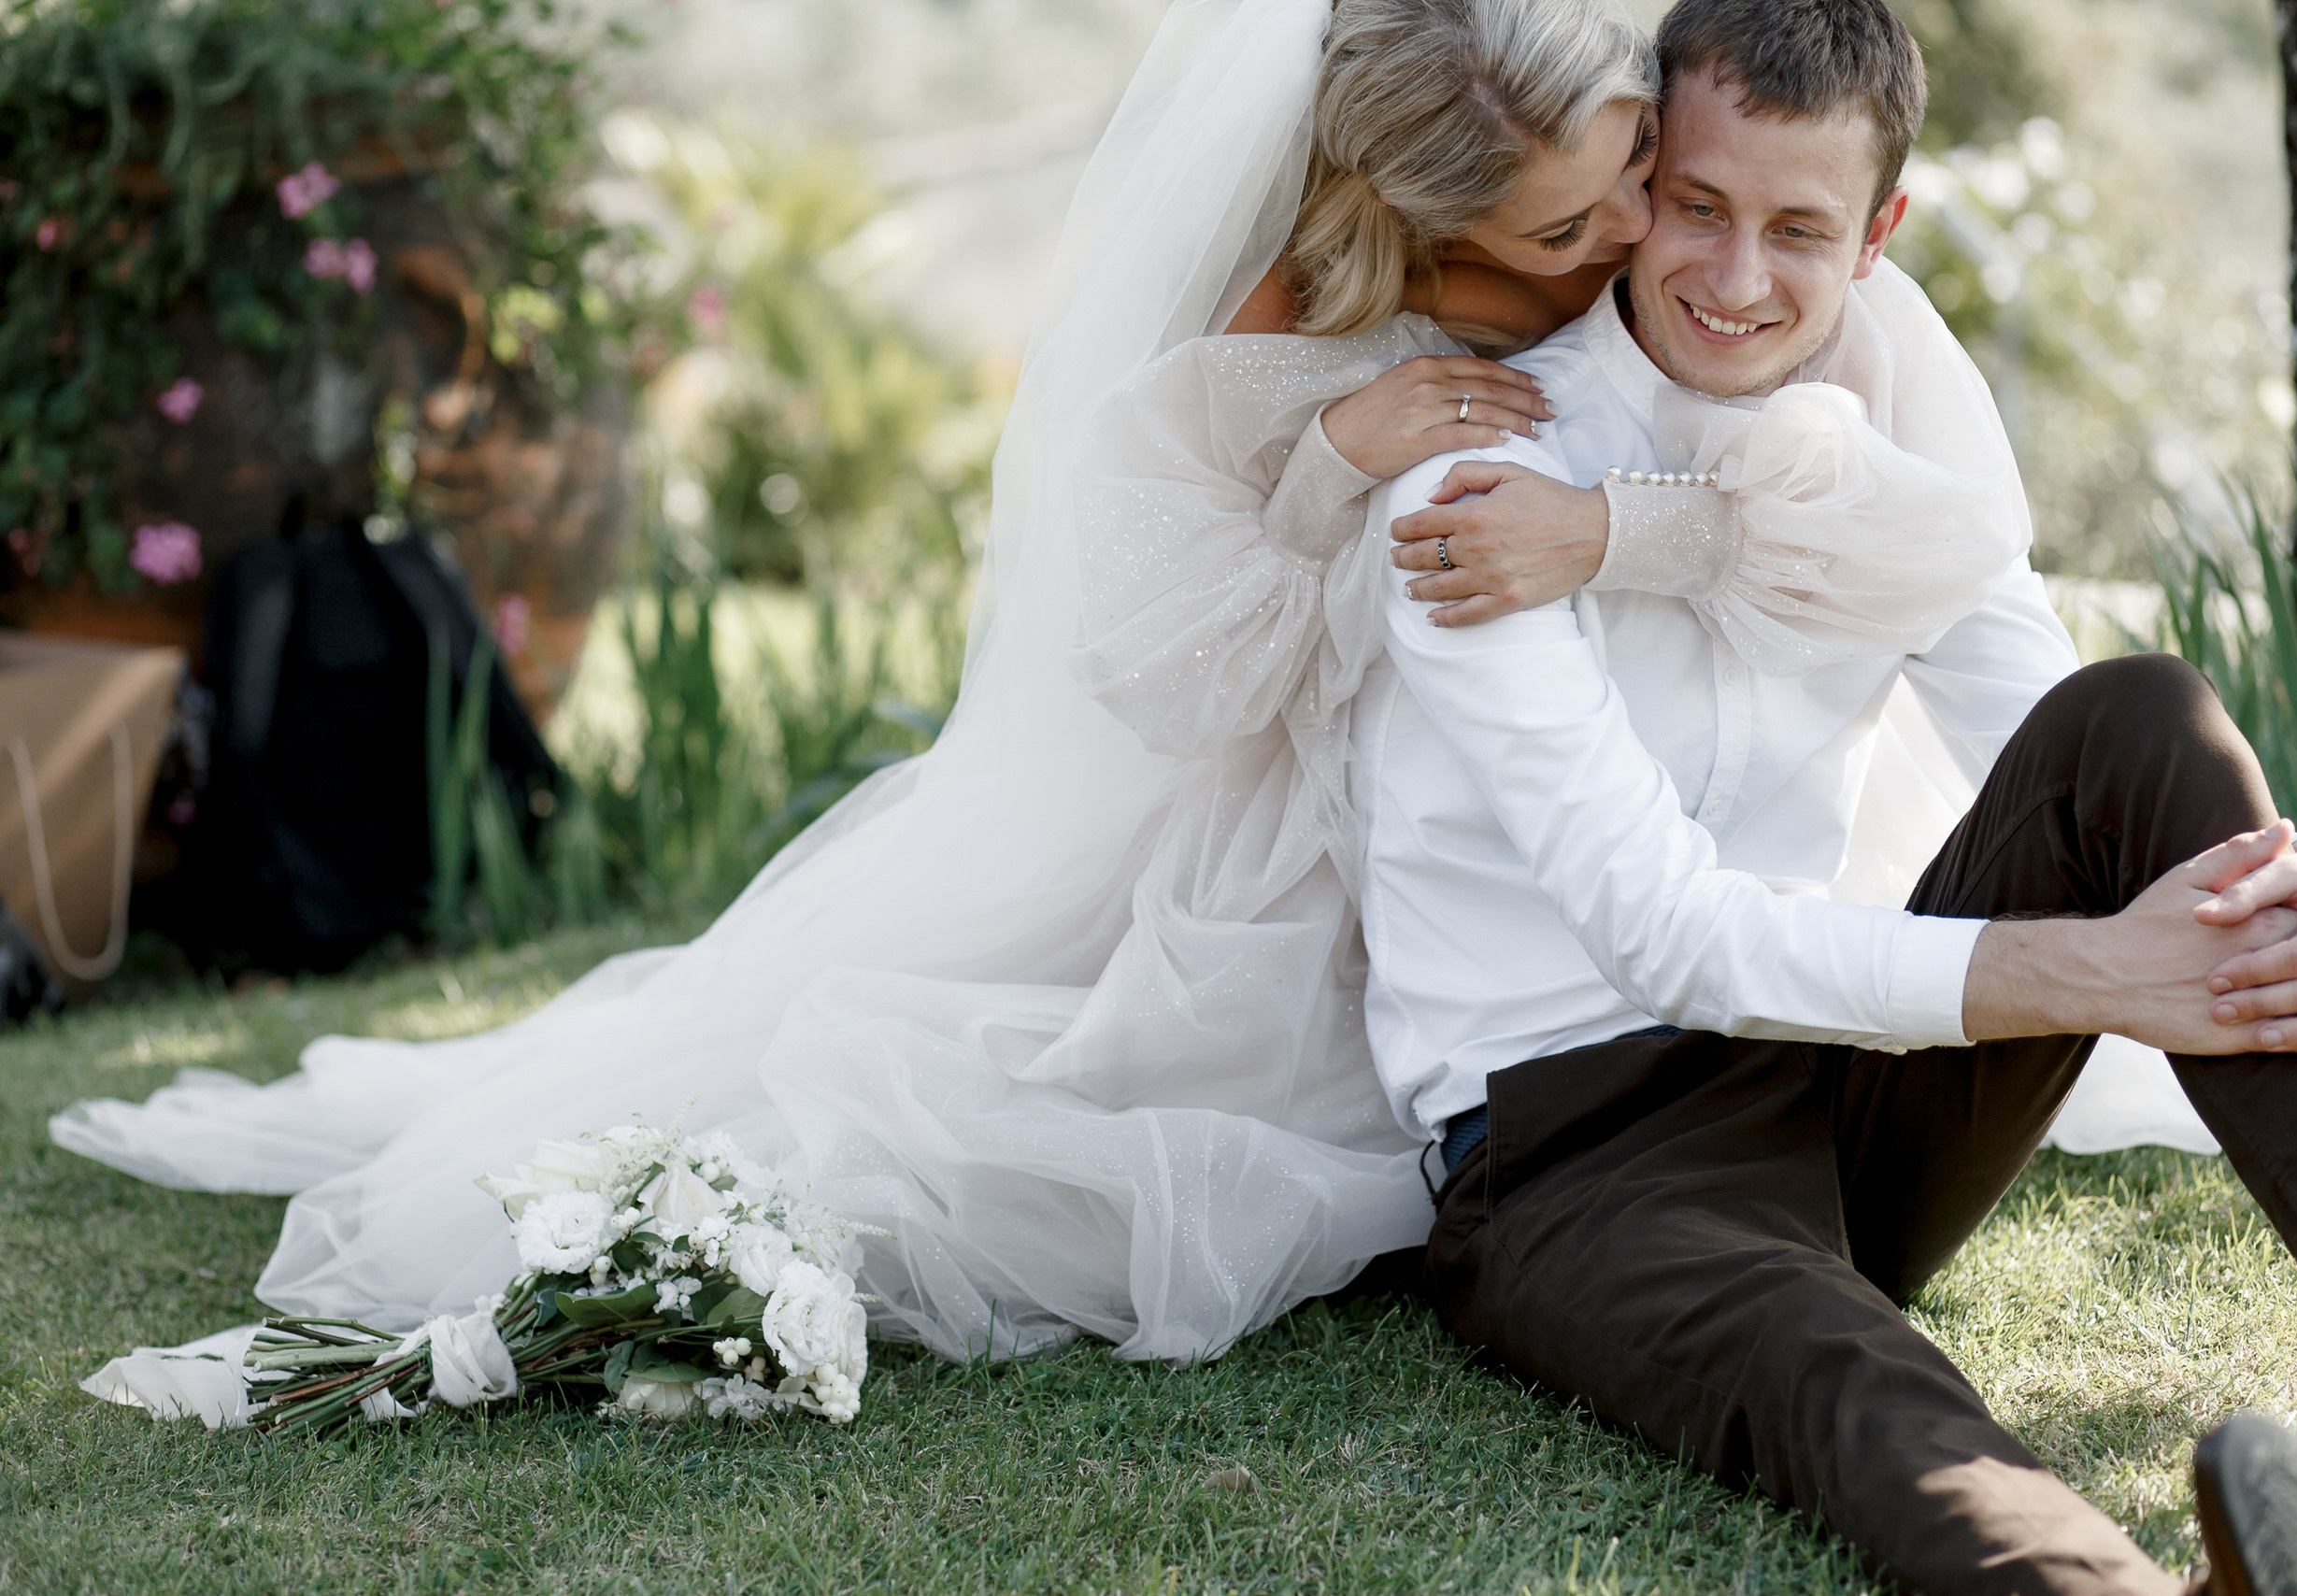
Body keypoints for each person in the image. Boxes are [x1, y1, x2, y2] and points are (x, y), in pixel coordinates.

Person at [54, 0, 2021, 1370]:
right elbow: (1182, 671)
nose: (1628, 247)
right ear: (1425, 220)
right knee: (1010, 1117)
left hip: (1528, 787)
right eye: (1569, 224)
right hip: (1302, 806)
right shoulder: (1264, 352)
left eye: (1630, 184)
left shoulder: (1677, 235)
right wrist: (1340, 469)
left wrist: (1619, 535)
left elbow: (1837, 515)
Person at [1359, 0, 2297, 1589]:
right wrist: (2094, 970)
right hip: (1573, 1152)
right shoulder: (1475, 490)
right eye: (1696, 207)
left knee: (2136, 712)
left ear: (1879, 232)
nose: (1735, 276)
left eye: (1798, 229)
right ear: (1638, 184)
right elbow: (1666, 935)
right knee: (1826, 1366)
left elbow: (2063, 747)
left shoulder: (1895, 429)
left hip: (1837, 1078)